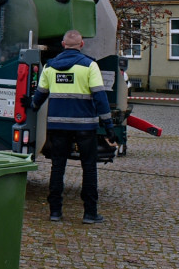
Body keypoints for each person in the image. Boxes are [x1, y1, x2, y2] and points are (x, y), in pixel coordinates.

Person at [29, 29, 116, 224]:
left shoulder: (50, 67)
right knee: (89, 168)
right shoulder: (90, 66)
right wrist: (108, 125)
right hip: (85, 126)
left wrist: (32, 106)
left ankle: (55, 212)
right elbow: (100, 97)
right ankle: (90, 213)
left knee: (58, 167)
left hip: (58, 126)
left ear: (63, 44)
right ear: (81, 45)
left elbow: (40, 94)